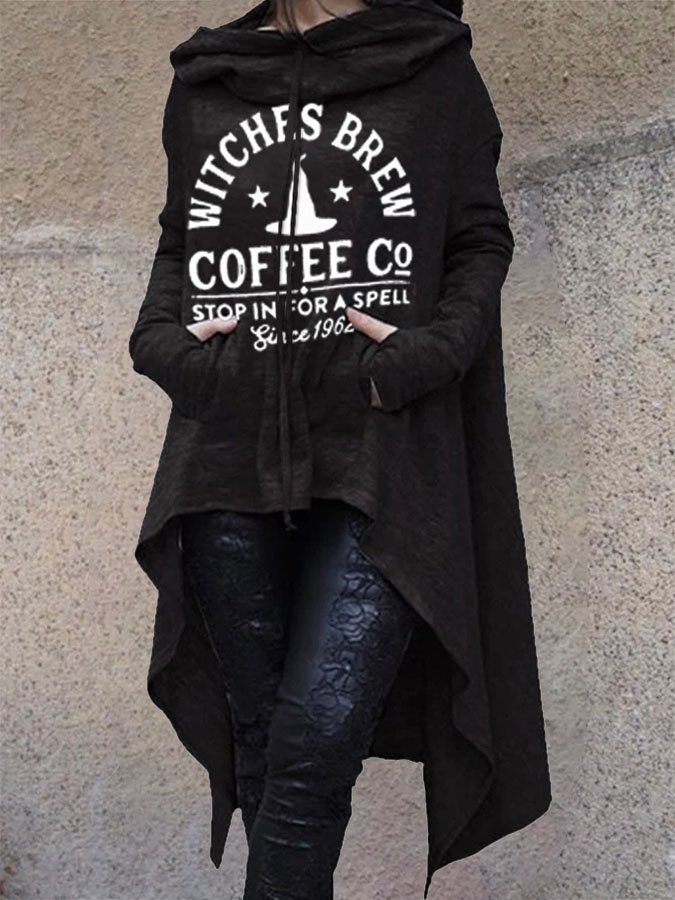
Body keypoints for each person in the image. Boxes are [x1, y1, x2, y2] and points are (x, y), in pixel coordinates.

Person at [128, 0, 552, 897]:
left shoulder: (432, 67)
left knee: (314, 748)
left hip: (378, 457)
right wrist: (163, 346)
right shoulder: (209, 80)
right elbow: (180, 241)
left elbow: (478, 237)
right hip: (226, 456)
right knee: (263, 747)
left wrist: (427, 353)